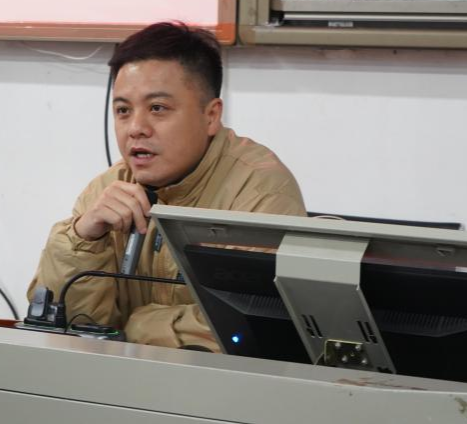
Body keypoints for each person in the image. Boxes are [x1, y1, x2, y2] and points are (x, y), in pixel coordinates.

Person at [28, 21, 305, 352]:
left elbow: (253, 329)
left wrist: (138, 327)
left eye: (157, 108)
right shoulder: (108, 188)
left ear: (211, 116)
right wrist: (83, 239)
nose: (136, 128)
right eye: (122, 110)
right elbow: (67, 327)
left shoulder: (260, 189)